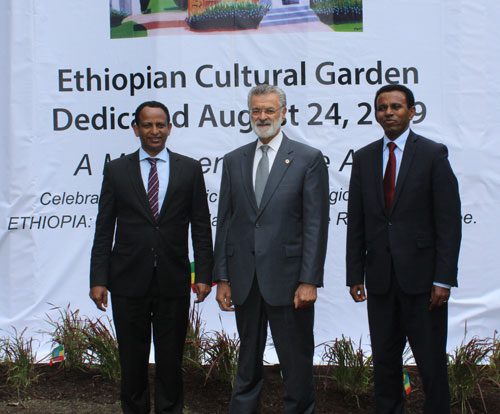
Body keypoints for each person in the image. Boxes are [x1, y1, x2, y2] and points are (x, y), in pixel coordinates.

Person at [89, 101, 213, 414]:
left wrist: (203, 276)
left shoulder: (189, 168)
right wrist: (98, 279)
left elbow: (200, 227)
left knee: (171, 361)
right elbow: (104, 229)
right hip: (128, 281)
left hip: (173, 280)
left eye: (160, 125)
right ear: (136, 129)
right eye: (147, 125)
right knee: (132, 361)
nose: (154, 131)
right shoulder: (117, 170)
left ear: (169, 128)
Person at [213, 84, 330, 414]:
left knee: (296, 364)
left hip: (291, 283)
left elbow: (315, 225)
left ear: (283, 113)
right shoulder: (234, 160)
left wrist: (309, 280)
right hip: (245, 280)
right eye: (256, 111)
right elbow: (226, 222)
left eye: (269, 110)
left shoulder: (308, 159)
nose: (262, 117)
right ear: (249, 114)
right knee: (247, 363)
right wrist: (223, 276)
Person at [346, 84, 462, 414]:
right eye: (382, 107)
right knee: (384, 361)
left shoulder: (432, 154)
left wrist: (443, 279)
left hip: (424, 283)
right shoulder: (364, 157)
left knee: (431, 364)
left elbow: (449, 224)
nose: (389, 112)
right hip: (380, 281)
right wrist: (355, 274)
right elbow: (357, 221)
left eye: (396, 106)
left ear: (412, 112)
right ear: (376, 114)